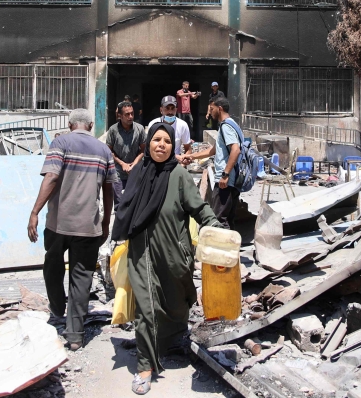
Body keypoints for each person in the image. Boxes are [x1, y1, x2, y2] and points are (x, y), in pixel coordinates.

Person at [112, 123, 220, 394]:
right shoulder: (138, 173)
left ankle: (172, 340)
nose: (161, 145)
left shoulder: (180, 175)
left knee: (176, 302)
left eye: (167, 141)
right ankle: (145, 366)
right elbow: (125, 208)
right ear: (148, 143)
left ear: (173, 145)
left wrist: (216, 229)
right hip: (142, 253)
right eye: (156, 140)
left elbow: (199, 208)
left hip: (174, 254)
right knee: (146, 309)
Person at [28, 109, 117, 351]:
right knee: (82, 277)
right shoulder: (104, 150)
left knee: (53, 268)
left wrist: (35, 212)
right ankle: (76, 336)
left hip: (58, 224)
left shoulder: (61, 143)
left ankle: (57, 311)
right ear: (90, 125)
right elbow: (109, 190)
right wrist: (106, 221)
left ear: (70, 125)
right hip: (88, 226)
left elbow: (51, 178)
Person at [179, 97, 241, 229]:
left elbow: (235, 150)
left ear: (220, 108)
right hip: (230, 179)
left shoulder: (226, 127)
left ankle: (222, 248)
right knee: (228, 218)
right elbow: (213, 150)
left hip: (225, 181)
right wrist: (192, 156)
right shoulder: (231, 125)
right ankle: (231, 247)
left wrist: (225, 174)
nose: (210, 112)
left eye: (211, 109)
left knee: (219, 219)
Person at [105, 100, 147, 200]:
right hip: (118, 173)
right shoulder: (113, 130)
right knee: (119, 203)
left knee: (134, 202)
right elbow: (108, 151)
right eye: (127, 114)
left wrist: (135, 163)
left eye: (132, 113)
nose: (131, 117)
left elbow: (144, 149)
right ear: (120, 115)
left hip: (135, 172)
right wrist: (122, 163)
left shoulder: (139, 129)